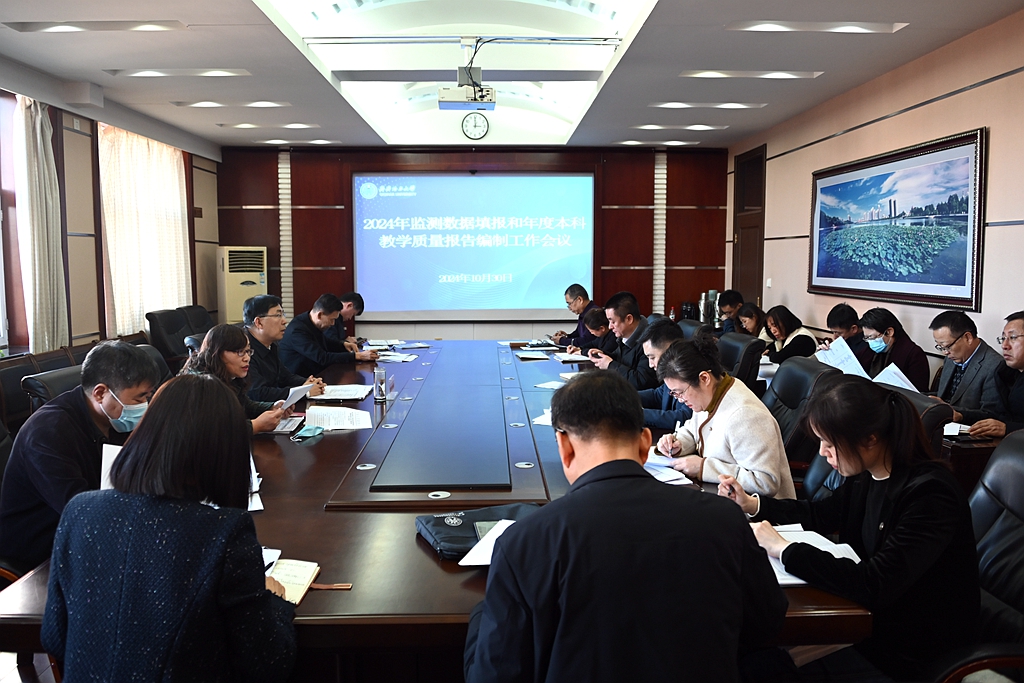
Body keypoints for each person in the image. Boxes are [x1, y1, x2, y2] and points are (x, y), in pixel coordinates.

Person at [463, 372, 787, 683]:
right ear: (645, 443)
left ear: (564, 447)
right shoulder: (724, 519)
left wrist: (484, 612)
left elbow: (494, 674)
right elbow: (767, 620)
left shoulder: (524, 542)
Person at [720, 374, 979, 681]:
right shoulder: (870, 472)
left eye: (830, 443)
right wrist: (753, 504)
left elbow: (876, 583)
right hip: (865, 620)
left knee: (757, 664)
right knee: (745, 648)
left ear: (870, 438)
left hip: (908, 648)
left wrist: (785, 549)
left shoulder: (930, 494)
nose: (822, 452)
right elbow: (820, 514)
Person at [41, 374, 297, 681]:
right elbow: (267, 663)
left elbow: (54, 638)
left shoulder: (79, 510)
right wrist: (275, 602)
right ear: (225, 452)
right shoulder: (225, 532)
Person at [0, 341, 160, 574]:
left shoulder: (114, 419)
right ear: (101, 393)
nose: (145, 405)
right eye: (139, 398)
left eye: (148, 396)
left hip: (92, 529)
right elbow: (79, 509)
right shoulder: (48, 432)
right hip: (40, 552)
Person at [656, 333, 795, 498]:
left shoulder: (744, 415)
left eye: (680, 392)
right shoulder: (711, 393)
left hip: (758, 509)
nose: (679, 400)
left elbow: (765, 482)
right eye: (674, 394)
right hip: (721, 496)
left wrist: (703, 468)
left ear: (704, 378)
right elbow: (693, 430)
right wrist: (677, 443)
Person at [181, 324, 288, 434]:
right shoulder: (201, 384)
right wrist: (255, 426)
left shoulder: (228, 374)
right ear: (217, 352)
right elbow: (214, 429)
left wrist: (271, 407)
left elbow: (244, 404)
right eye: (240, 352)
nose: (247, 358)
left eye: (248, 351)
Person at [244, 294, 326, 402]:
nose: (284, 321)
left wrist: (309, 383)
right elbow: (258, 393)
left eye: (283, 315)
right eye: (278, 315)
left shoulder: (271, 345)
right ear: (259, 322)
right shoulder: (244, 349)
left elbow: (285, 377)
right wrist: (304, 392)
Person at [929, 310, 1004, 424]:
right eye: (940, 347)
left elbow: (991, 415)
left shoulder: (994, 366)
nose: (945, 352)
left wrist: (953, 412)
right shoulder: (952, 357)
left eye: (947, 346)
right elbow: (943, 396)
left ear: (968, 338)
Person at [280, 293, 378, 377]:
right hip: (300, 380)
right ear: (320, 315)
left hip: (315, 375)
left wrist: (343, 344)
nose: (333, 324)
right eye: (332, 319)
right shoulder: (297, 331)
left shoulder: (311, 321)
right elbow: (322, 358)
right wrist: (356, 356)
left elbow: (325, 341)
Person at [587, 291, 658, 390]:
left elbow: (641, 381)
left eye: (613, 322)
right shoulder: (625, 336)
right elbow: (621, 359)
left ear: (629, 319)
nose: (610, 327)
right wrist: (602, 355)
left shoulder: (650, 342)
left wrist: (610, 365)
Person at [970, 311, 1024, 438]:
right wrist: (960, 415)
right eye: (1003, 338)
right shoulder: (1005, 371)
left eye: (1013, 337)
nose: (1004, 346)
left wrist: (1008, 428)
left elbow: (1004, 425)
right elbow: (995, 416)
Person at [636, 317, 693, 429]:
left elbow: (685, 417)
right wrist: (624, 397)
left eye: (652, 357)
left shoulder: (692, 372)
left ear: (669, 351)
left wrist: (637, 413)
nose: (650, 364)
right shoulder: (671, 374)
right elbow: (657, 395)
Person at [858, 308, 930, 392]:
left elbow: (919, 392)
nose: (870, 342)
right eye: (866, 338)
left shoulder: (914, 354)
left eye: (871, 337)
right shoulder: (868, 351)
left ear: (889, 332)